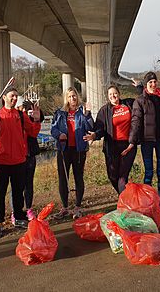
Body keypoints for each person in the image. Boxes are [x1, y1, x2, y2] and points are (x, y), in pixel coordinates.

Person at [0, 86, 41, 233]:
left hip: (19, 161)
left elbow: (32, 132)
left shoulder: (21, 116)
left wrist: (37, 121)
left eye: (16, 96)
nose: (14, 98)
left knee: (18, 192)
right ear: (4, 98)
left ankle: (19, 217)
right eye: (11, 96)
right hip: (0, 162)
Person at [129, 72, 160, 218]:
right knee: (149, 173)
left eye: (155, 82)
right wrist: (132, 141)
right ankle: (148, 205)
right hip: (147, 141)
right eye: (150, 82)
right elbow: (136, 121)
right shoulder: (140, 100)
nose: (153, 84)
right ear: (146, 84)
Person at [51, 86, 94, 219]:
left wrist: (87, 115)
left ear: (77, 97)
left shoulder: (83, 111)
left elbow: (91, 127)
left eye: (74, 96)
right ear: (66, 98)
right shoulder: (60, 113)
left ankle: (77, 206)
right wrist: (59, 134)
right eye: (69, 96)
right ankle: (64, 207)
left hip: (79, 149)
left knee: (78, 177)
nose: (72, 98)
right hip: (64, 149)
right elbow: (53, 129)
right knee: (63, 179)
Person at [88, 85, 137, 194]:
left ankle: (124, 202)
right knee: (112, 176)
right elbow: (100, 129)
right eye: (110, 94)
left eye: (115, 93)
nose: (113, 96)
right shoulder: (104, 110)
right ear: (108, 97)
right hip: (112, 147)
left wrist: (139, 86)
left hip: (128, 145)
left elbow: (142, 102)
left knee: (122, 177)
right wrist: (95, 135)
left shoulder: (129, 104)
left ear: (119, 93)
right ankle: (125, 198)